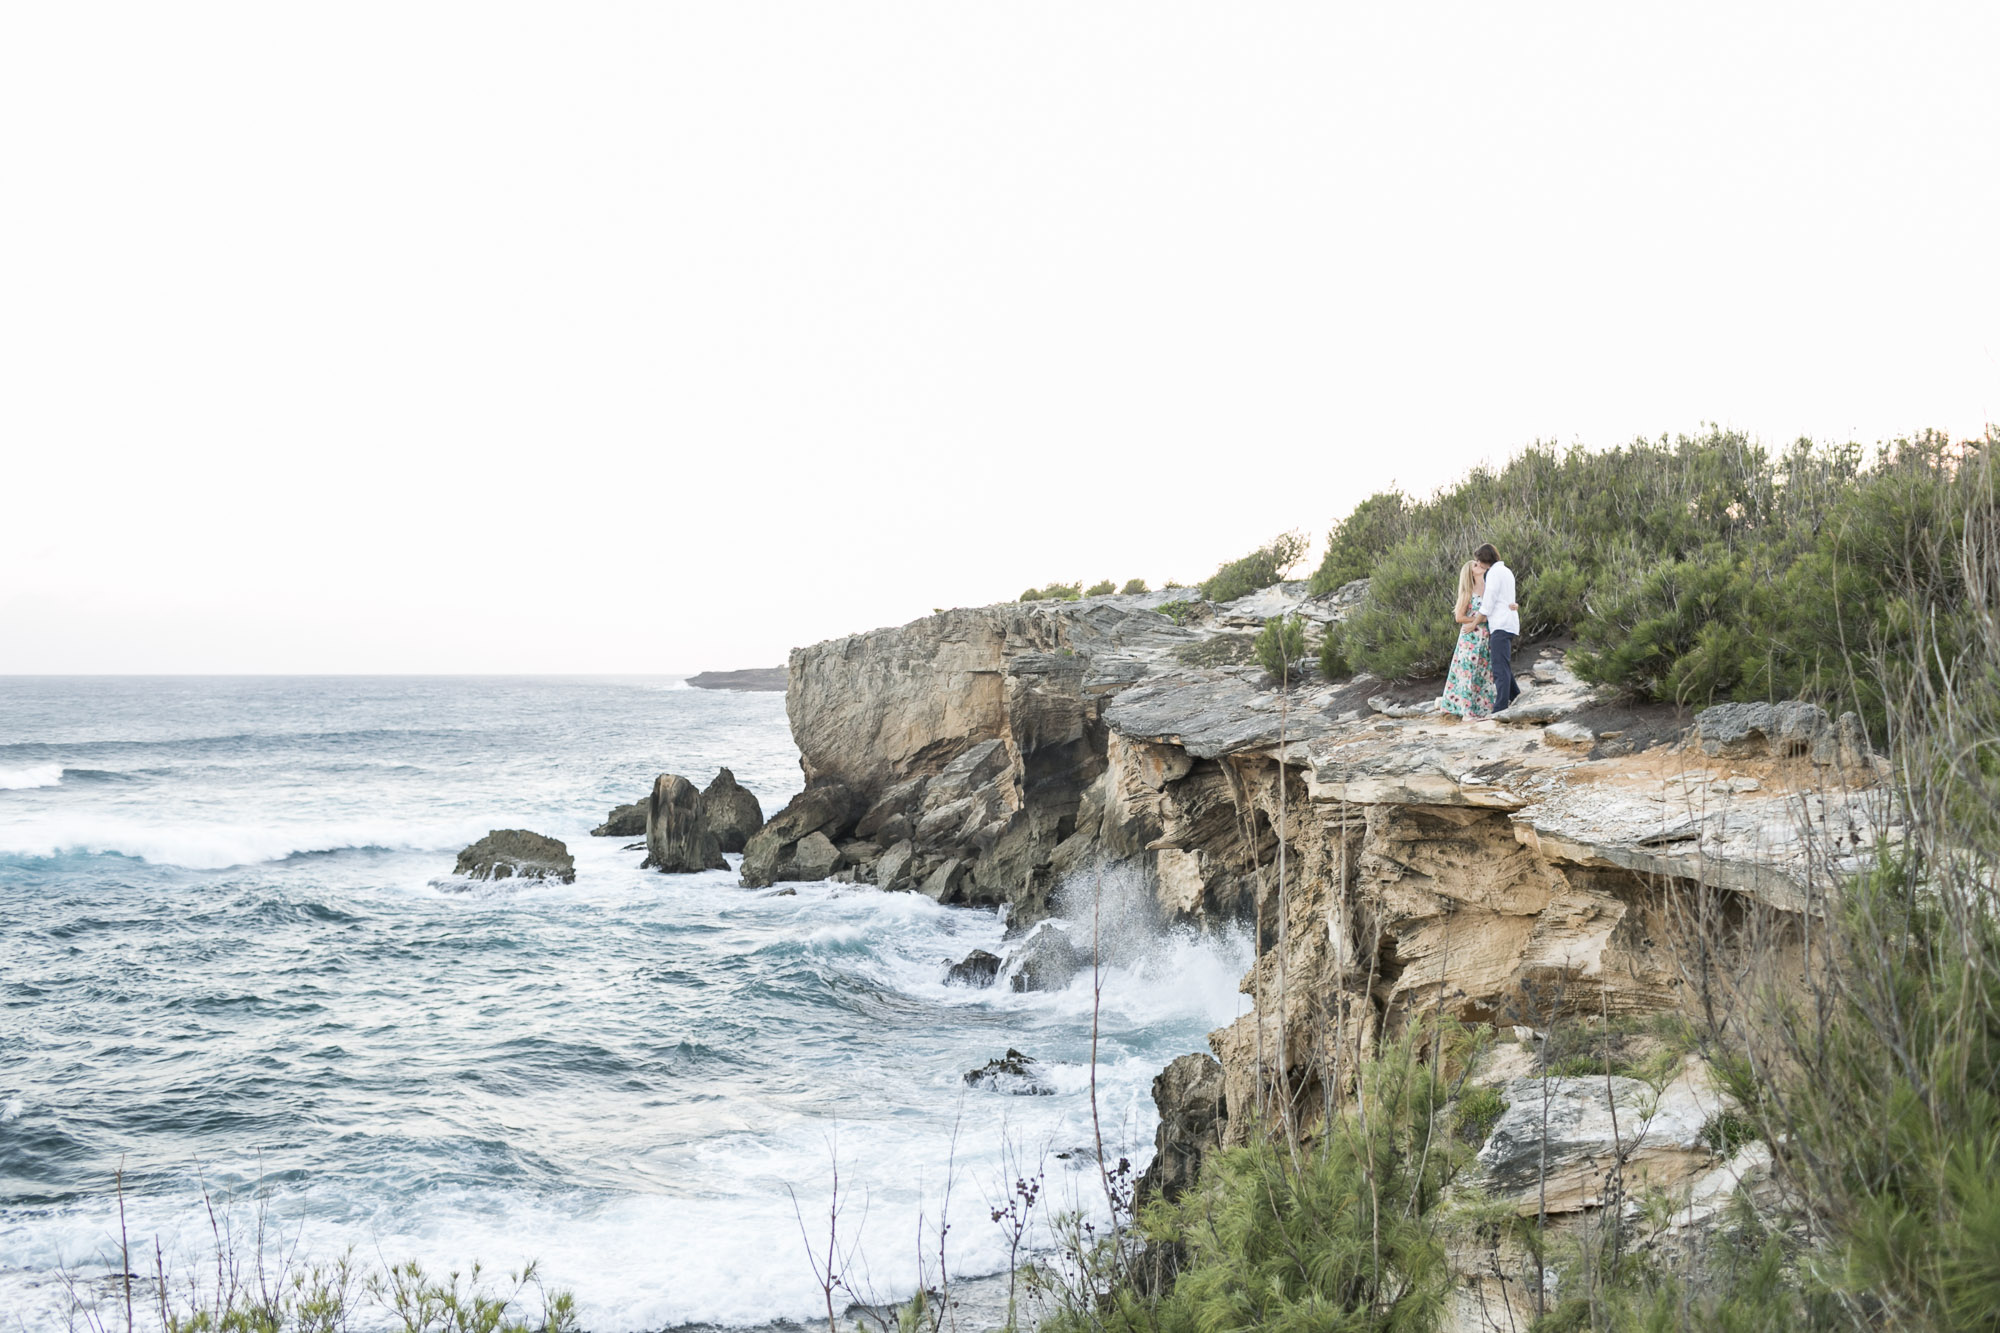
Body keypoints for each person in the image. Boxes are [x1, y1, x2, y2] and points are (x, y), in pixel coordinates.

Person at [1438, 559, 1498, 718]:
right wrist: (1479, 620)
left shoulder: (1490, 588)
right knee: (1468, 673)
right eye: (1476, 565)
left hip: (1487, 637)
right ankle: (1466, 711)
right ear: (1471, 572)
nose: (1480, 566)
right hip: (1471, 638)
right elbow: (1459, 617)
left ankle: (1485, 710)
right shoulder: (1468, 591)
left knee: (1485, 673)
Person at [1472, 543, 1521, 711]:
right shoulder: (1506, 571)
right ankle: (1515, 695)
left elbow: (1488, 602)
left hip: (1500, 624)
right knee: (1503, 663)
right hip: (1509, 622)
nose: (1477, 563)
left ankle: (1500, 707)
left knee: (1499, 667)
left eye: (1478, 560)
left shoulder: (1493, 573)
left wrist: (1474, 623)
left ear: (1484, 559)